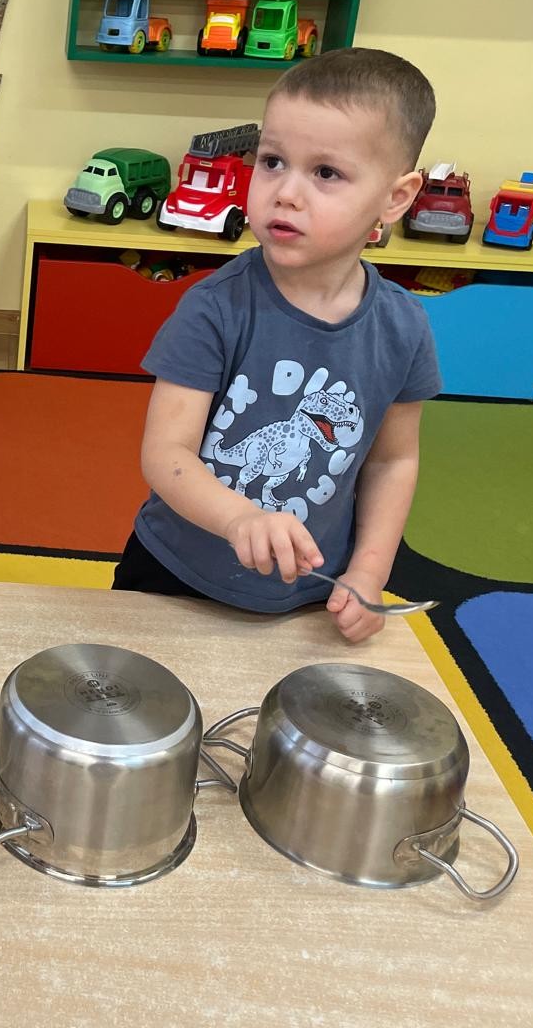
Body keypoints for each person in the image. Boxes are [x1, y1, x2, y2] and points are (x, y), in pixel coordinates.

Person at [114, 47, 441, 642]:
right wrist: (240, 517)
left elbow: (393, 461)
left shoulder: (404, 327)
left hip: (313, 591)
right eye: (272, 161)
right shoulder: (214, 307)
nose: (286, 192)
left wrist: (370, 572)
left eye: (326, 173)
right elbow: (165, 452)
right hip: (175, 574)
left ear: (396, 197)